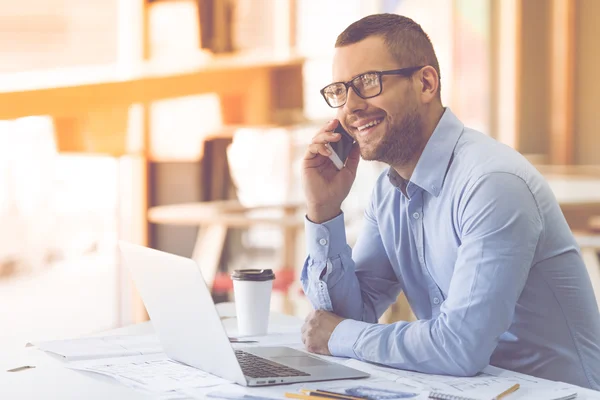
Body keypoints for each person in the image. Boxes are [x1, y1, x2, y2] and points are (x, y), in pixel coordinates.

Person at [300, 13, 600, 390]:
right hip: (463, 390)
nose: (351, 107)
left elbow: (459, 347)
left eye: (367, 83)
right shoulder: (388, 192)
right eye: (341, 91)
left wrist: (343, 335)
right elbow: (343, 318)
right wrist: (323, 209)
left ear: (426, 83)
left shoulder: (491, 183)